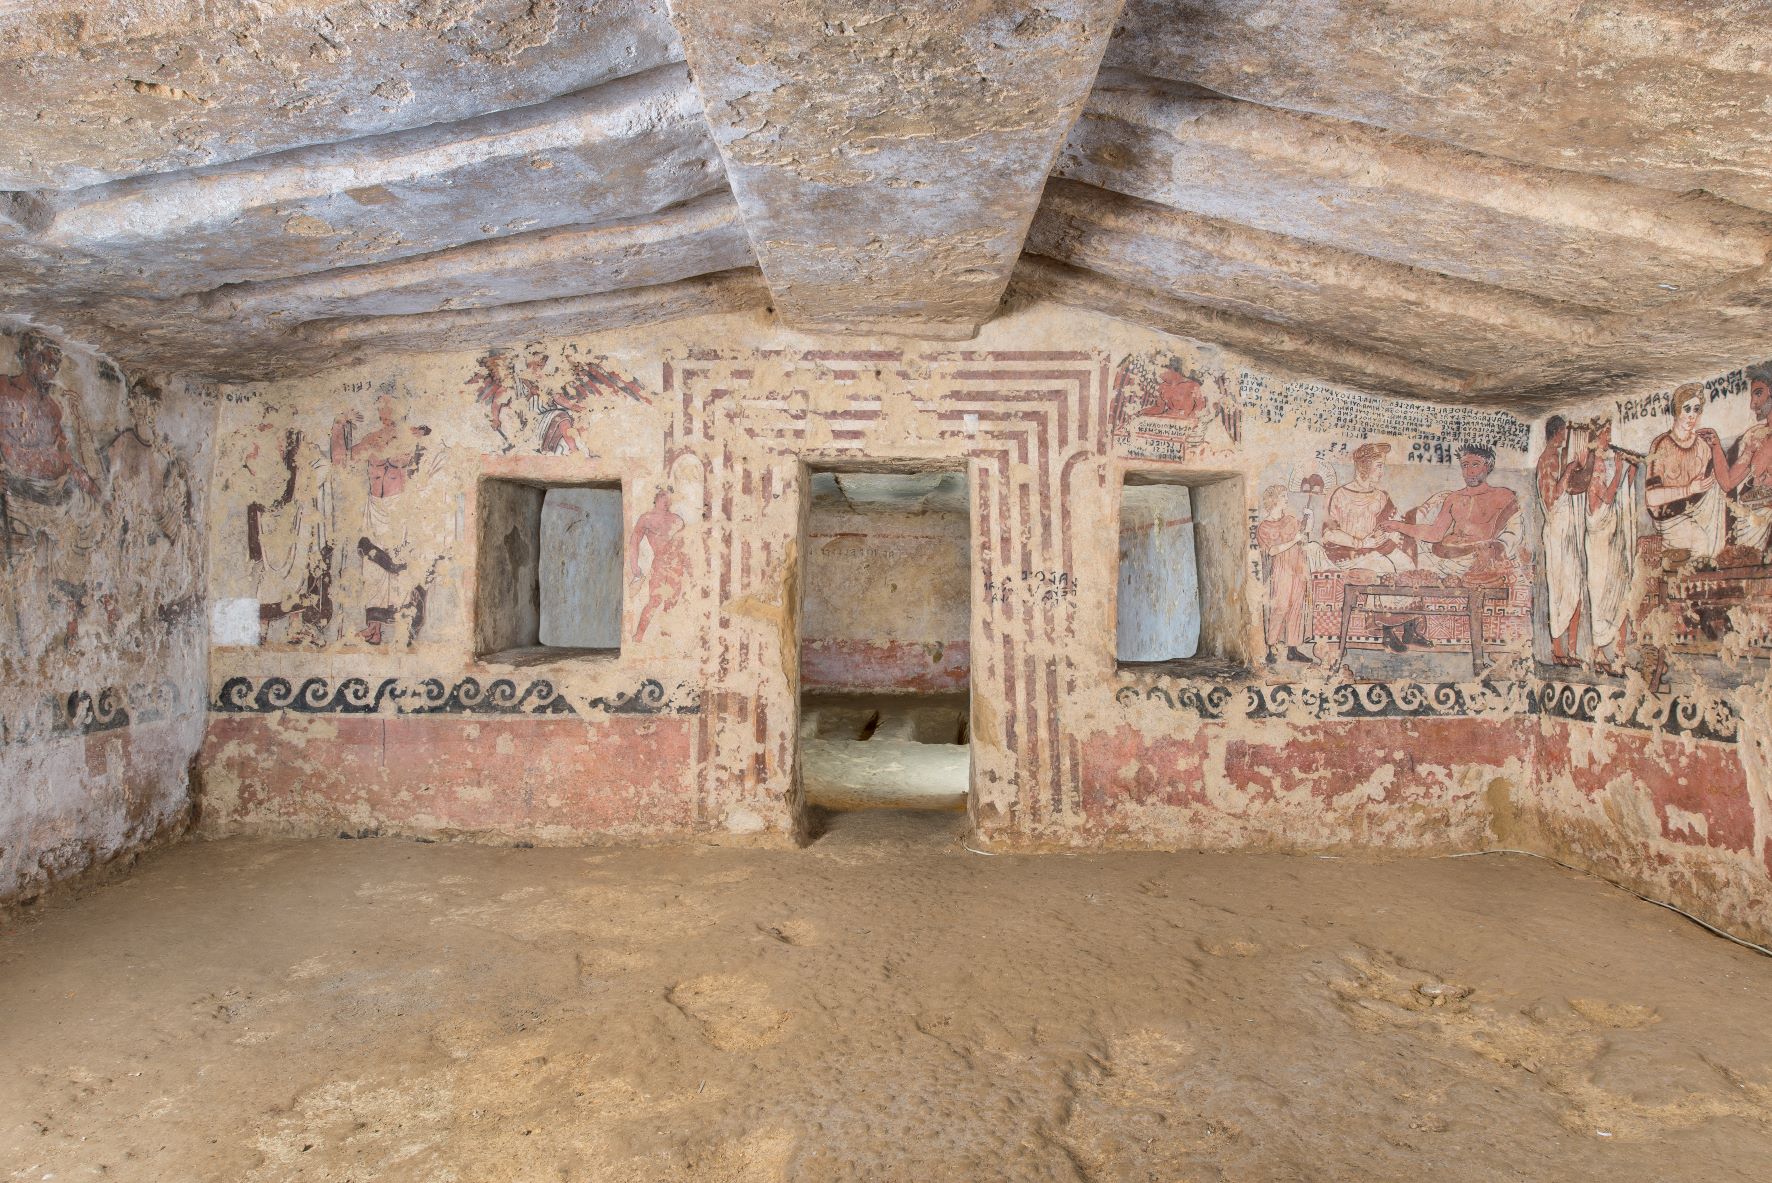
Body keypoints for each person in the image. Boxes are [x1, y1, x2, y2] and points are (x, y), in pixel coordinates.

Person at [0, 330, 101, 561]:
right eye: (43, 359)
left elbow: (65, 457)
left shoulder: (52, 408)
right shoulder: (4, 389)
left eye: (55, 364)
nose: (50, 369)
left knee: (93, 522)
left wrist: (96, 492)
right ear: (26, 356)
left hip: (56, 493)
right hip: (17, 491)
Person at [1386, 444, 1521, 582]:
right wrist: (1398, 526)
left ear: (1487, 467)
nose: (1470, 471)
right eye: (1465, 465)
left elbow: (1514, 532)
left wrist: (1495, 549)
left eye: (1475, 464)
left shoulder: (1503, 495)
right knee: (1398, 567)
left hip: (1475, 559)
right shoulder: (1453, 498)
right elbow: (1435, 533)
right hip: (1440, 559)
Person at [1645, 383, 1732, 562]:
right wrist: (1689, 489)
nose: (1692, 415)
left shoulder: (1702, 445)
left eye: (1696, 409)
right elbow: (1651, 498)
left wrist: (1716, 448)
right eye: (1687, 409)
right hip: (1669, 518)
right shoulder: (1662, 445)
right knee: (1700, 541)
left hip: (1699, 511)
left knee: (1719, 541)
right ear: (1677, 410)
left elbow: (1720, 481)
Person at [1583, 421, 1637, 675]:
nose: (1609, 438)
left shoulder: (1605, 461)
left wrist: (1629, 473)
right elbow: (1604, 497)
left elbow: (1619, 493)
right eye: (1606, 433)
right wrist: (1619, 471)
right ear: (1596, 436)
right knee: (1602, 594)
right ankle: (1598, 651)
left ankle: (1620, 651)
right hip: (1599, 539)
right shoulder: (1593, 464)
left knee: (1622, 589)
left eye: (1610, 433)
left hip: (1613, 537)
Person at [1537, 416, 1587, 665]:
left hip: (1566, 532)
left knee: (1575, 590)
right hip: (1557, 533)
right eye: (1563, 432)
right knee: (1559, 593)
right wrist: (1569, 469)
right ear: (1556, 433)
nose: (1565, 437)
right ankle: (1558, 652)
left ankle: (1572, 651)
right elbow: (1552, 498)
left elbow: (1570, 490)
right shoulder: (1547, 459)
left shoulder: (1556, 457)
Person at [1322, 442, 1412, 574]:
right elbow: (1329, 534)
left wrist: (1387, 535)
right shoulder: (1341, 494)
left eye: (1383, 466)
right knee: (1386, 568)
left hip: (1375, 551)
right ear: (1365, 466)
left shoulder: (1381, 497)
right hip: (1345, 555)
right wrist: (1362, 543)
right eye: (1379, 466)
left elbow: (1394, 527)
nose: (1382, 472)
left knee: (1408, 565)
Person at [1255, 485, 1314, 663]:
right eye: (1283, 496)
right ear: (1273, 500)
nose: (1286, 499)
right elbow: (1272, 551)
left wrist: (1309, 516)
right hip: (1281, 568)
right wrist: (1294, 540)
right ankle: (1271, 647)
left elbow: (1305, 533)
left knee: (1296, 607)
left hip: (1298, 565)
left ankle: (1292, 649)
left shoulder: (1290, 519)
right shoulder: (1264, 527)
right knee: (1280, 607)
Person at [1721, 366, 1772, 550]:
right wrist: (1715, 448)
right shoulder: (1755, 437)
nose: (1753, 404)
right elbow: (1728, 483)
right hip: (1751, 528)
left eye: (1758, 394)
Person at [629, 488, 687, 642]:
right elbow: (634, 541)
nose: (666, 501)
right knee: (655, 600)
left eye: (669, 498)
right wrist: (634, 566)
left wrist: (690, 568)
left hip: (677, 564)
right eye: (662, 497)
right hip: (660, 563)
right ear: (656, 498)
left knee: (671, 602)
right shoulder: (646, 518)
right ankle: (639, 636)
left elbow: (685, 545)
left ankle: (665, 638)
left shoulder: (677, 519)